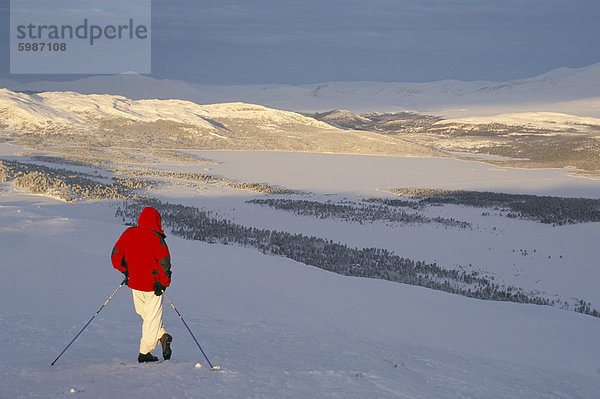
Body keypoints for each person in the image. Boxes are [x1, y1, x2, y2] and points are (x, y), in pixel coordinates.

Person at [111, 206, 173, 363]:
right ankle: (145, 353)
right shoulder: (156, 238)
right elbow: (164, 263)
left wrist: (127, 271)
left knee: (146, 315)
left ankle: (162, 336)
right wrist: (164, 282)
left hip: (135, 283)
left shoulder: (128, 233)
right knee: (151, 318)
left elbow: (115, 257)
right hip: (154, 286)